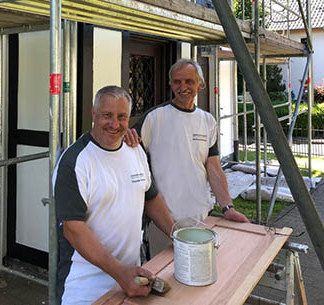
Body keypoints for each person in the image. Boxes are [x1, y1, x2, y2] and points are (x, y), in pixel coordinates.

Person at [53, 85, 174, 305]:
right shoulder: (75, 162)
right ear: (93, 113)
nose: (114, 124)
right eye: (106, 115)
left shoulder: (135, 149)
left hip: (130, 279)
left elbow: (151, 197)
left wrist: (178, 236)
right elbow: (73, 229)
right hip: (84, 288)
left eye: (122, 117)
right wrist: (120, 272)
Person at [125, 58, 249, 256]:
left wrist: (227, 208)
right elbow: (129, 155)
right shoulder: (154, 118)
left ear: (200, 84)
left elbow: (214, 168)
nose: (183, 87)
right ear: (170, 84)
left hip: (201, 217)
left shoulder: (207, 121)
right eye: (177, 82)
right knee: (165, 278)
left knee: (199, 274)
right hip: (164, 222)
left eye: (189, 82)